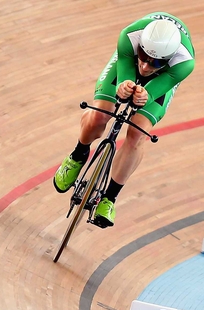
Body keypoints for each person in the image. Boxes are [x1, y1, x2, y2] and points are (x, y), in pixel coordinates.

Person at [53, 12, 195, 228]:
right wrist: (126, 83)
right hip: (127, 61)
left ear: (167, 59)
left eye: (155, 62)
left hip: (164, 78)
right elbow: (127, 71)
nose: (146, 67)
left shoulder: (184, 63)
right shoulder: (130, 36)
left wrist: (143, 95)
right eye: (144, 56)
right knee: (101, 113)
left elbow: (154, 90)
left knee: (138, 134)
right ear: (140, 46)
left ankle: (109, 198)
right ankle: (78, 154)